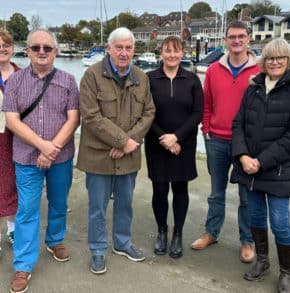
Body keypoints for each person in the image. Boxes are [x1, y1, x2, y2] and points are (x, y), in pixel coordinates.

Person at [2, 28, 80, 293]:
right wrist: (42, 147)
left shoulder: (69, 80)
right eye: (36, 48)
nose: (42, 52)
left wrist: (53, 148)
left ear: (56, 51)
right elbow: (12, 120)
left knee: (59, 202)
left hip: (61, 157)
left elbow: (74, 118)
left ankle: (55, 239)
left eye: (47, 47)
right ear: (28, 51)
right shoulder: (15, 81)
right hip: (26, 157)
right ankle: (23, 264)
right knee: (27, 210)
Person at [77, 27, 155, 275]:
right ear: (109, 48)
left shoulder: (142, 78)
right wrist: (123, 141)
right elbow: (91, 116)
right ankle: (98, 250)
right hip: (98, 155)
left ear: (134, 49)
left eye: (128, 48)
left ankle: (122, 243)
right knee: (97, 207)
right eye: (118, 47)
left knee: (125, 203)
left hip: (129, 155)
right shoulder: (91, 75)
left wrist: (128, 142)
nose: (123, 52)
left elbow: (149, 113)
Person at [190, 21, 260, 263]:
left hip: (247, 145)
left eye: (241, 36)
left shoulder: (259, 71)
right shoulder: (212, 70)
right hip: (217, 140)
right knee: (216, 193)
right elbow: (206, 104)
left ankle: (247, 240)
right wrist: (206, 130)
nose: (237, 41)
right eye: (232, 36)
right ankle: (212, 232)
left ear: (248, 39)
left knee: (245, 196)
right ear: (226, 40)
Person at [231, 38, 290, 293]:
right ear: (263, 62)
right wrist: (243, 156)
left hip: (278, 172)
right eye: (270, 57)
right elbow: (238, 125)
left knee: (280, 223)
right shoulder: (253, 88)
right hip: (250, 171)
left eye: (280, 57)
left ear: (288, 61)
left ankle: (287, 272)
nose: (275, 62)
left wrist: (261, 161)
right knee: (256, 217)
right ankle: (263, 261)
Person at [145, 36, 203, 258]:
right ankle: (162, 231)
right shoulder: (149, 79)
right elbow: (145, 113)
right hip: (156, 142)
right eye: (168, 51)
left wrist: (177, 137)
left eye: (176, 51)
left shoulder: (191, 79)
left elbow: (197, 113)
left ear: (183, 53)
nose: (172, 55)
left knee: (180, 189)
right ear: (161, 53)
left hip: (184, 144)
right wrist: (165, 138)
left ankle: (178, 234)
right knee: (159, 190)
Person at [0, 30, 20, 255]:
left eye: (6, 45)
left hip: (18, 137)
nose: (2, 49)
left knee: (15, 182)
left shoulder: (23, 74)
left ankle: (13, 229)